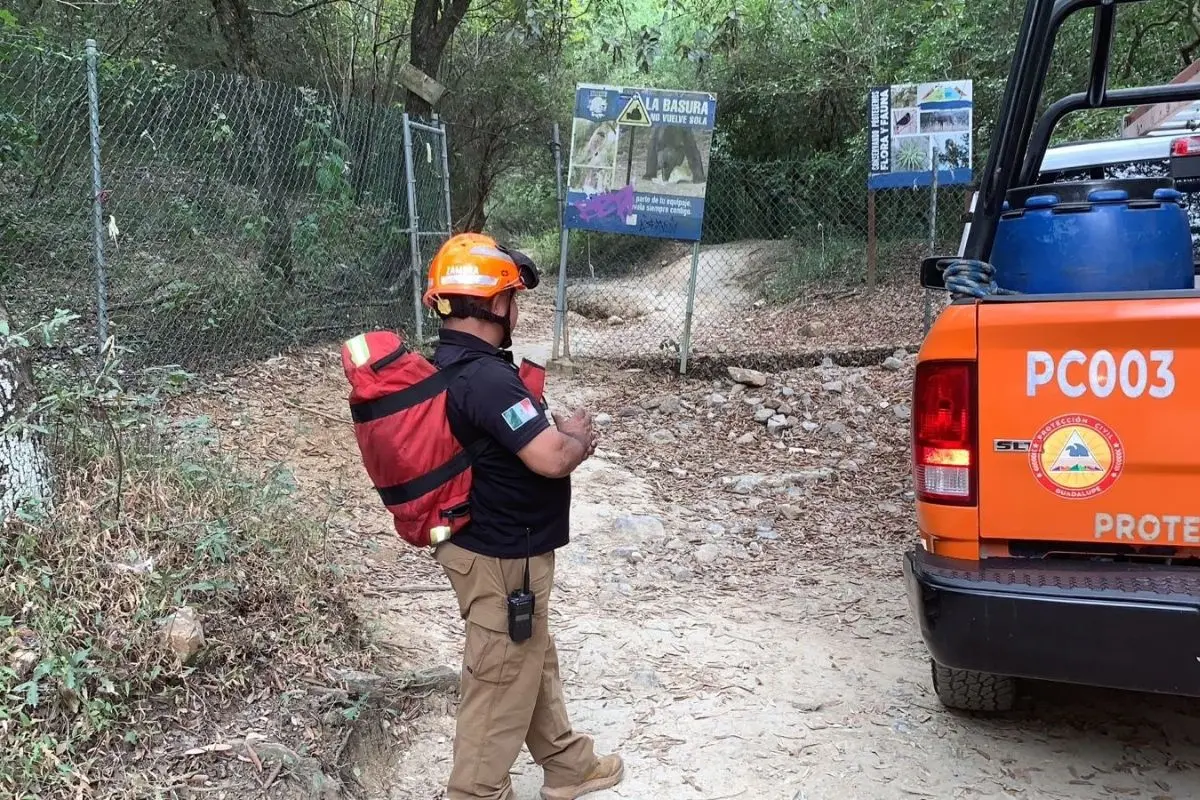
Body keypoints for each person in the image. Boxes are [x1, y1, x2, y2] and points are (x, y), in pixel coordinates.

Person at [423, 232, 625, 800]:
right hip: (501, 553)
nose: (517, 308)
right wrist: (578, 437)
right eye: (513, 297)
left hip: (493, 545)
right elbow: (551, 457)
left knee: (526, 650)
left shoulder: (452, 365)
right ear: (493, 304)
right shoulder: (485, 379)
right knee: (500, 674)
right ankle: (475, 792)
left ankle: (566, 762)